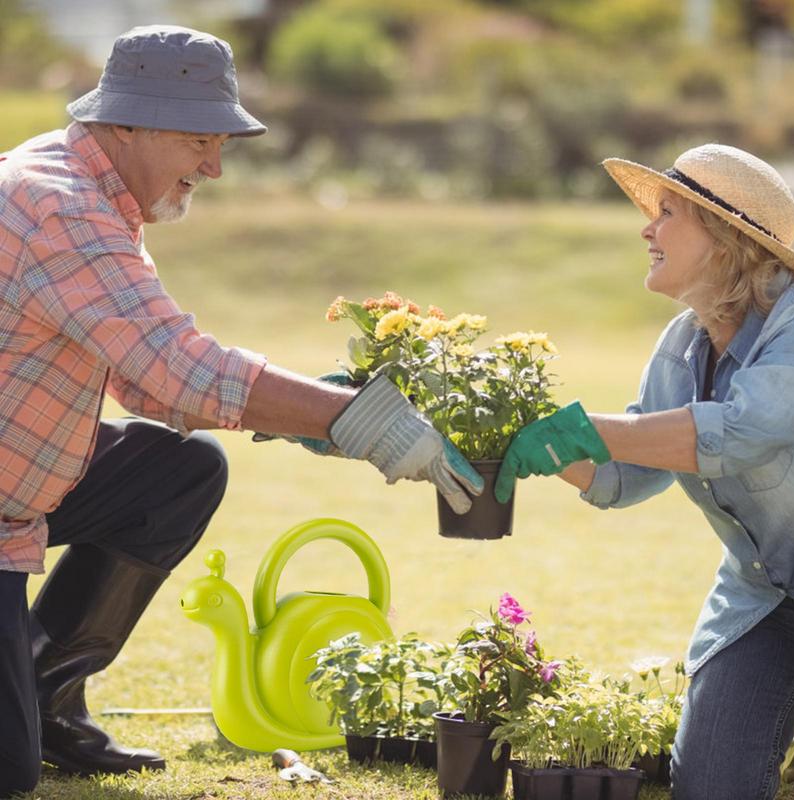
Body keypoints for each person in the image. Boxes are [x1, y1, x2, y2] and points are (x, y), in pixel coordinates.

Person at [0, 24, 483, 797]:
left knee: (176, 471)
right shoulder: (56, 204)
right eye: (199, 140)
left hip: (19, 492)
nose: (216, 166)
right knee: (6, 772)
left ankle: (46, 695)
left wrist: (321, 417)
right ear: (127, 121)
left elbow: (152, 387)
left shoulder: (97, 193)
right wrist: (357, 420)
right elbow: (178, 366)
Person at [495, 143, 794, 799]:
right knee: (713, 787)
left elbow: (743, 430)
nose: (646, 229)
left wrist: (588, 430)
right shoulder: (683, 345)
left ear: (724, 237)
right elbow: (626, 474)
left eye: (667, 213)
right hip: (767, 599)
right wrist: (537, 440)